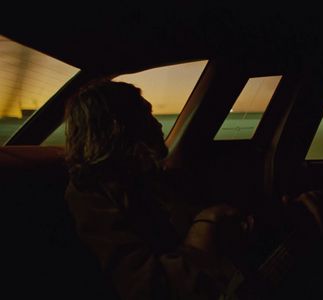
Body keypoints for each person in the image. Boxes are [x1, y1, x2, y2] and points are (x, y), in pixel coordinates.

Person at [64, 80, 253, 300]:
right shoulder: (90, 195)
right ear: (117, 127)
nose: (159, 125)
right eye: (146, 115)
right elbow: (148, 287)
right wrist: (206, 224)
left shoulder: (149, 178)